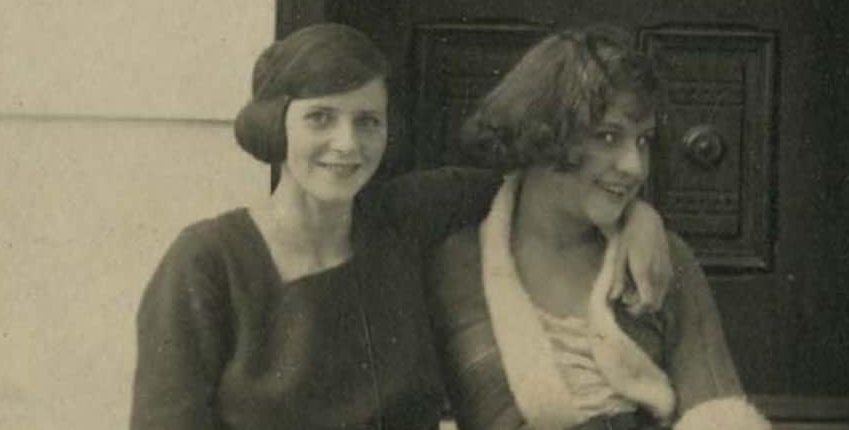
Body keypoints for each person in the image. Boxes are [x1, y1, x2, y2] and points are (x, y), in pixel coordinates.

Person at [129, 23, 504, 430]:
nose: (348, 143)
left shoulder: (406, 220)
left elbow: (528, 183)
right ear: (275, 123)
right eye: (320, 118)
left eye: (368, 121)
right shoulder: (208, 260)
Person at [428, 26, 772, 430]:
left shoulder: (662, 258)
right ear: (543, 132)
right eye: (608, 136)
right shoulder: (454, 264)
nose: (635, 167)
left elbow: (718, 413)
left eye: (644, 141)